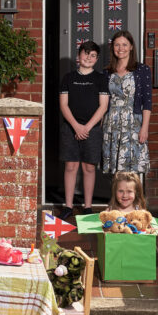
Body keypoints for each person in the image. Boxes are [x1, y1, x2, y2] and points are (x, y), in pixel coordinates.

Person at [58, 40, 110, 220]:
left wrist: (86, 127)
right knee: (70, 166)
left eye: (93, 55)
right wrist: (76, 126)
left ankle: (87, 207)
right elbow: (64, 105)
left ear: (97, 59)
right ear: (78, 56)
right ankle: (69, 206)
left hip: (92, 130)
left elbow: (103, 106)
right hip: (70, 128)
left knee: (89, 168)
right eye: (85, 53)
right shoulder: (68, 78)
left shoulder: (101, 79)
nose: (89, 57)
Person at [100, 30, 152, 175]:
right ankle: (116, 197)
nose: (120, 48)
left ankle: (134, 198)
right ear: (113, 48)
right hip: (111, 123)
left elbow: (147, 102)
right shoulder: (106, 72)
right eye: (117, 45)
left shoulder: (142, 70)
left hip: (133, 122)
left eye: (124, 44)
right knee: (115, 169)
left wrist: (144, 128)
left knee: (132, 169)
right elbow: (103, 103)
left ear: (131, 47)